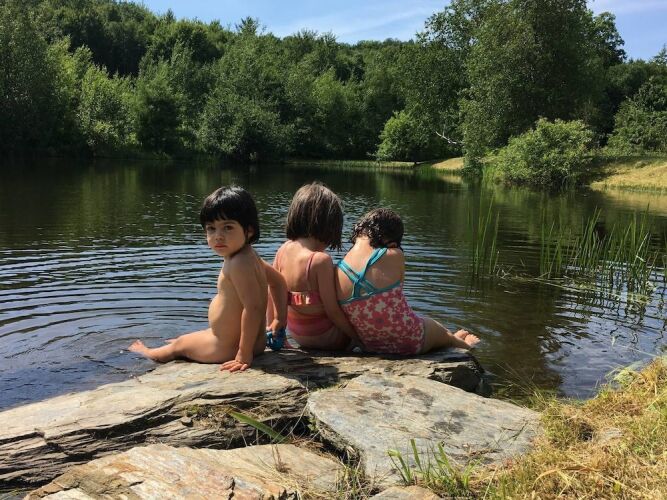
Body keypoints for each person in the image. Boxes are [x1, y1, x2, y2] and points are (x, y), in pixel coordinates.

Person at [129, 186, 288, 372]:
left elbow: (253, 308)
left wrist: (244, 354)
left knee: (180, 344)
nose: (218, 236)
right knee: (198, 335)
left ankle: (149, 353)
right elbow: (279, 282)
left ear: (249, 230)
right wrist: (279, 320)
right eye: (211, 228)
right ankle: (196, 342)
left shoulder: (238, 264)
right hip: (255, 343)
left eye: (228, 227)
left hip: (228, 348)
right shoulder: (250, 256)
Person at [335, 208, 479, 355]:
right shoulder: (394, 255)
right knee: (434, 327)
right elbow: (398, 297)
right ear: (392, 241)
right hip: (410, 341)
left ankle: (450, 338)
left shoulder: (339, 269)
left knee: (425, 325)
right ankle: (461, 343)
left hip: (371, 345)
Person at [268, 182, 361, 350]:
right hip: (328, 338)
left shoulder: (283, 250)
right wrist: (358, 338)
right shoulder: (320, 260)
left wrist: (278, 333)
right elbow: (333, 311)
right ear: (331, 225)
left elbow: (272, 295)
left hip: (299, 336)